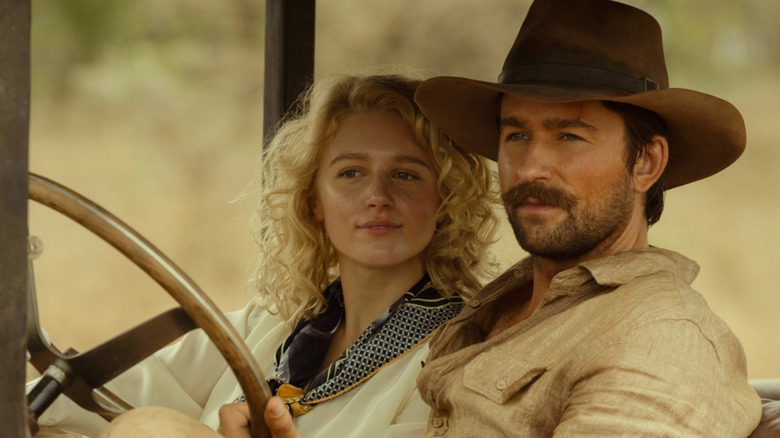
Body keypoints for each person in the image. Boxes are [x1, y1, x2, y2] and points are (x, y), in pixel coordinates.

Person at [258, 0, 765, 436]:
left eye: (569, 136)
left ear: (646, 163)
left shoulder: (660, 338)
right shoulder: (499, 306)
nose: (530, 167)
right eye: (516, 135)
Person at [30, 73, 500, 438]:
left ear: (445, 200)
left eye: (406, 175)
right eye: (352, 172)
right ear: (314, 201)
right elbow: (86, 394)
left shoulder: (459, 357)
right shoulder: (264, 331)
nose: (377, 196)